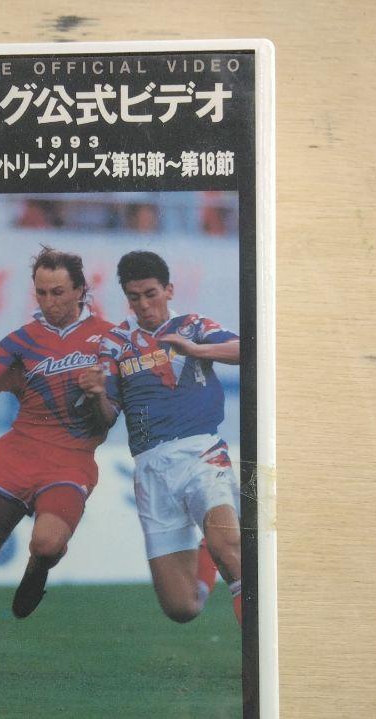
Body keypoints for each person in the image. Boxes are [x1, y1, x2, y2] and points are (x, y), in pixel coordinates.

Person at [0, 248, 116, 670]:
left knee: (47, 545)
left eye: (58, 292)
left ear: (81, 290)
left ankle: (39, 567)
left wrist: (97, 394)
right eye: (41, 293)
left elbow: (108, 418)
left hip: (71, 461)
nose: (49, 302)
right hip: (19, 455)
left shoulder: (110, 340)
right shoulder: (22, 340)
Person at [78, 249, 243, 626]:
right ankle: (207, 550)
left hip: (202, 453)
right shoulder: (115, 343)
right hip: (151, 469)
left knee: (231, 552)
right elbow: (106, 417)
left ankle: (256, 655)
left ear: (168, 290)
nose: (144, 304)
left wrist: (197, 350)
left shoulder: (192, 326)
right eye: (134, 297)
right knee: (182, 607)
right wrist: (97, 394)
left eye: (151, 294)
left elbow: (246, 349)